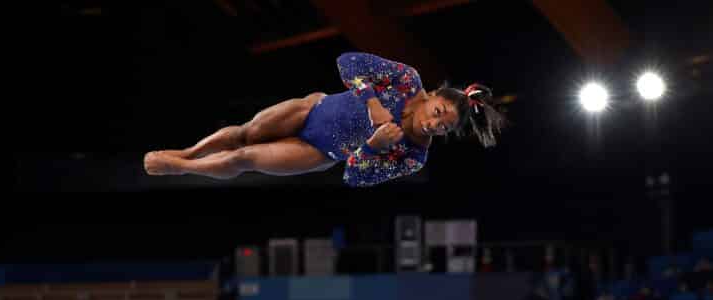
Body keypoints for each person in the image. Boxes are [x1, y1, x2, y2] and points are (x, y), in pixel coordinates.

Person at [144, 52, 503, 186]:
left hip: (318, 152)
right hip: (313, 108)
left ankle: (183, 170)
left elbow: (354, 177)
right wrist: (373, 103)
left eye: (444, 127)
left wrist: (371, 146)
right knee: (245, 133)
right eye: (438, 113)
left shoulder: (413, 155)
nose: (434, 124)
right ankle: (188, 153)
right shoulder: (407, 79)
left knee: (245, 157)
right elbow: (347, 62)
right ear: (433, 96)